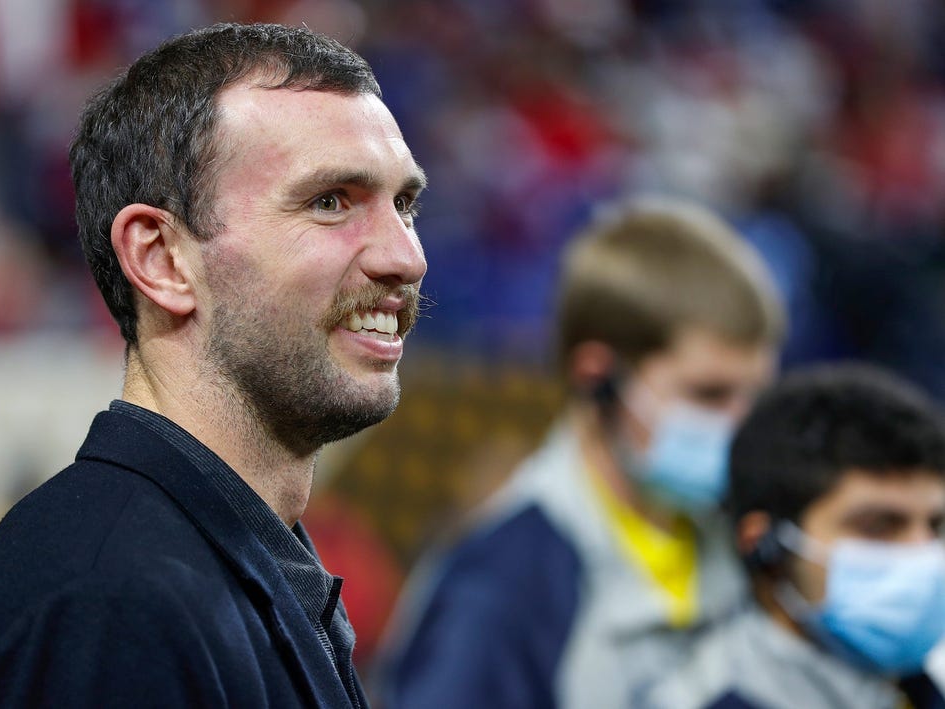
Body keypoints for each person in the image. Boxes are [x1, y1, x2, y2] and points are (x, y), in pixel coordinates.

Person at [0, 22, 427, 708]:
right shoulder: (114, 606)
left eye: (406, 203)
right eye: (330, 202)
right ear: (161, 260)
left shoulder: (200, 567)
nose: (406, 258)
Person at [381, 197, 786, 708]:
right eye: (708, 395)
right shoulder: (502, 588)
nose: (740, 423)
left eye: (754, 394)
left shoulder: (743, 540)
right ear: (597, 377)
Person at [641, 363, 945, 709]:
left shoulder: (911, 687)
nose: (923, 553)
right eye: (876, 526)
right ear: (765, 546)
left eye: (936, 526)